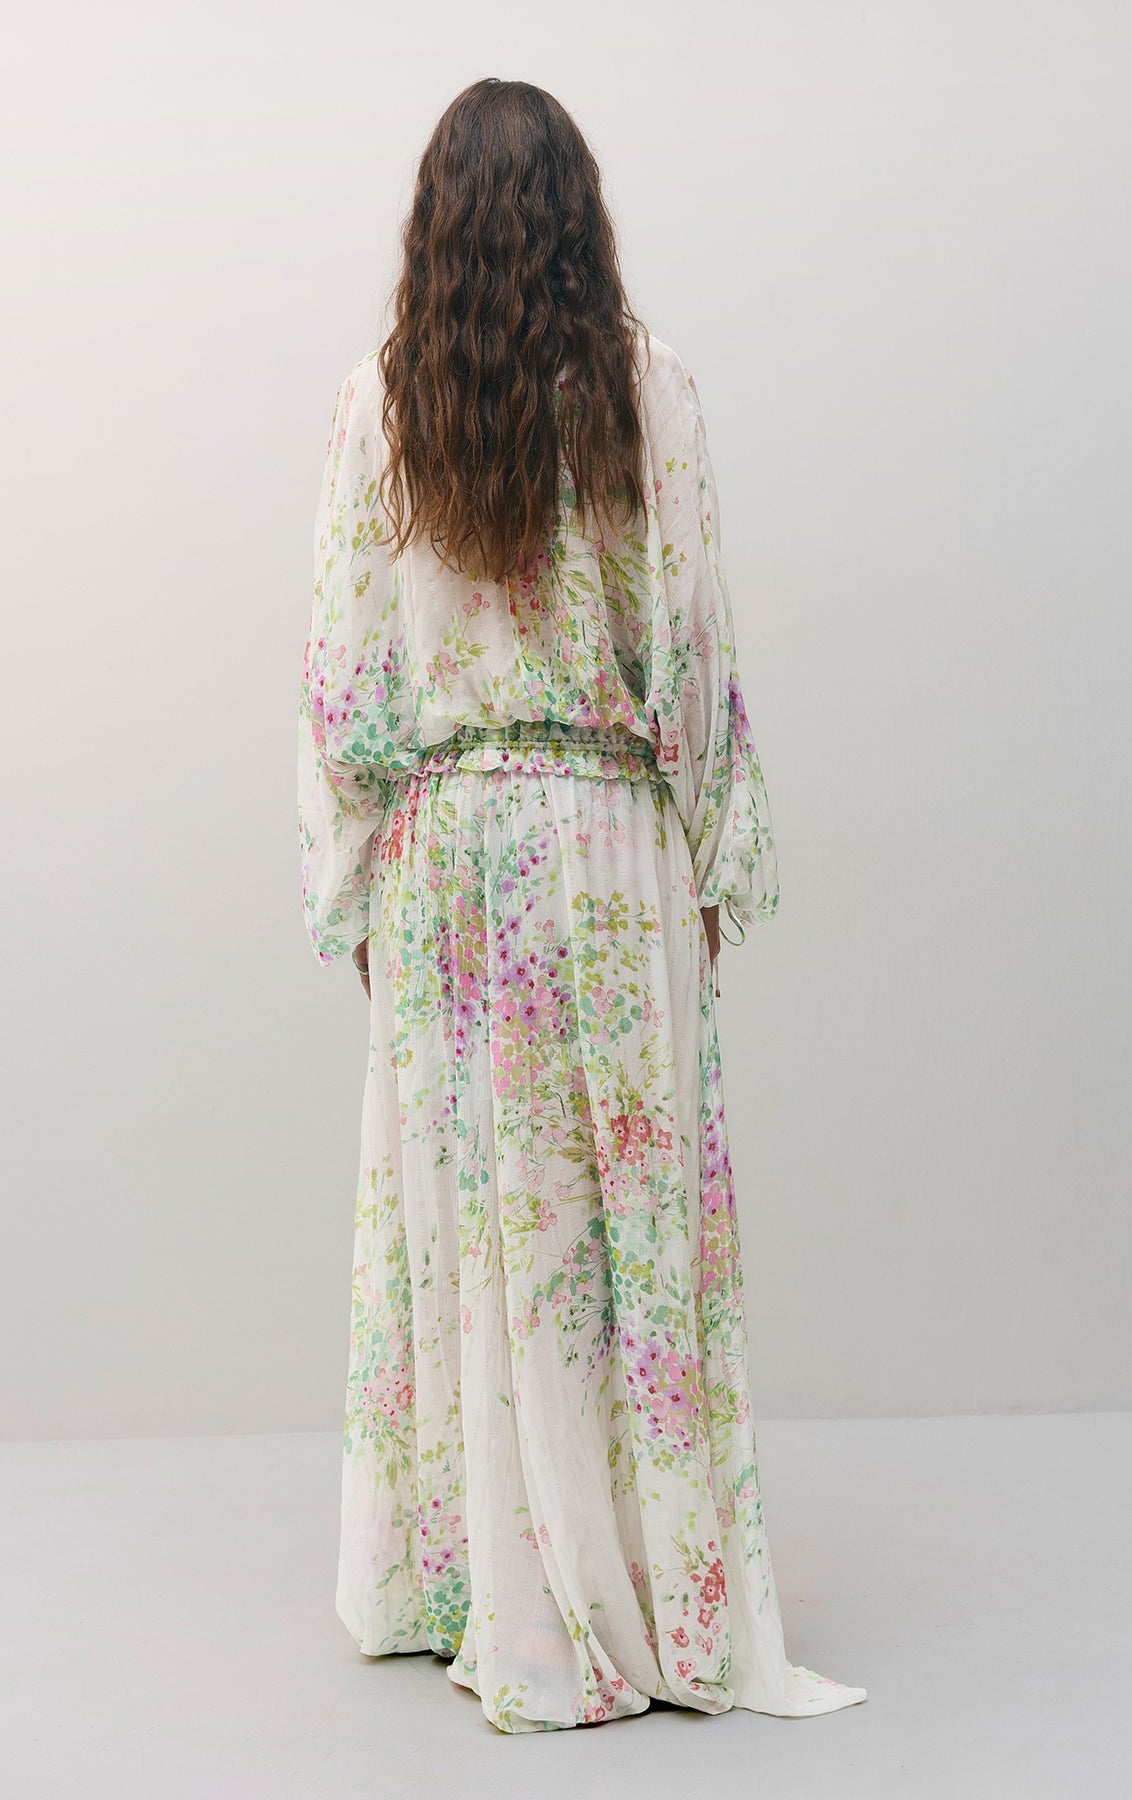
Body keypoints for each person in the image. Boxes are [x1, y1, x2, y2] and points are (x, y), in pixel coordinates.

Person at [297, 77, 866, 1735]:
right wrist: (705, 850)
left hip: (453, 856)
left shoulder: (381, 403)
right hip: (610, 848)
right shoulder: (648, 390)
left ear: (436, 223)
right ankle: (646, 1579)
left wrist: (359, 881)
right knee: (624, 1231)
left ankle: (472, 1580)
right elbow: (690, 644)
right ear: (578, 215)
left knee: (477, 1225)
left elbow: (342, 678)